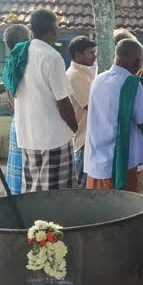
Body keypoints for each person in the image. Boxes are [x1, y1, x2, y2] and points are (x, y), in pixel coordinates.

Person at [14, 10, 78, 193]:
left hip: (27, 135)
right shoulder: (51, 56)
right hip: (53, 137)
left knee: (33, 192)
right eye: (57, 25)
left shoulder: (19, 53)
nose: (59, 30)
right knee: (56, 194)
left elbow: (11, 90)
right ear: (51, 30)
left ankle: (35, 222)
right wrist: (75, 128)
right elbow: (63, 102)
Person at [84, 39, 143, 192]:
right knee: (126, 212)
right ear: (136, 62)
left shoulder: (97, 80)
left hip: (96, 165)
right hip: (121, 164)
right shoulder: (131, 84)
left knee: (100, 212)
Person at [2, 25, 31, 195]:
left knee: (16, 170)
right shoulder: (29, 62)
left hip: (17, 122)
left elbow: (11, 99)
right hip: (30, 124)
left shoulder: (10, 64)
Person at [66, 36, 97, 187]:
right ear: (78, 55)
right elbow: (93, 107)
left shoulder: (83, 72)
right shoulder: (76, 75)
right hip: (84, 139)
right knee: (82, 188)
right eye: (90, 53)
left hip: (86, 136)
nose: (94, 55)